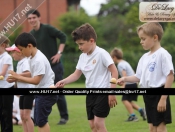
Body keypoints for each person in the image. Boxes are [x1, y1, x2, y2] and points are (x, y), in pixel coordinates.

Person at [56, 23, 118, 132]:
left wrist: (112, 92)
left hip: (103, 92)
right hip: (90, 94)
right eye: (78, 44)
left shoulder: (102, 54)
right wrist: (64, 81)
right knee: (92, 125)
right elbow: (76, 74)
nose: (79, 47)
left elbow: (114, 71)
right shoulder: (82, 57)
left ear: (91, 40)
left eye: (81, 44)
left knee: (99, 123)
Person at [117, 22, 174, 132]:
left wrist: (163, 98)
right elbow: (138, 77)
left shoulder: (163, 54)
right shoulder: (144, 57)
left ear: (155, 37)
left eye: (143, 39)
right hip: (147, 95)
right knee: (152, 127)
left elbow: (170, 76)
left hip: (159, 94)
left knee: (160, 127)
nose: (141, 42)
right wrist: (125, 79)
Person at [8, 32, 58, 132]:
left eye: (21, 49)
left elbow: (36, 80)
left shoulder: (38, 59)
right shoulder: (32, 58)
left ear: (29, 46)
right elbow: (33, 75)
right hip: (41, 93)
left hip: (46, 93)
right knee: (40, 120)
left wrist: (18, 77)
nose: (21, 52)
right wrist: (17, 78)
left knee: (41, 121)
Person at [26, 9, 69, 125]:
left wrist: (59, 53)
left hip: (54, 67)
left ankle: (64, 117)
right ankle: (39, 117)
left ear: (39, 18)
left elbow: (63, 37)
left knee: (58, 91)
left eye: (34, 17)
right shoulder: (31, 35)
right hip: (41, 69)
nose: (32, 20)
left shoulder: (48, 29)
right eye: (29, 18)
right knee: (39, 93)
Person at [110, 47, 146, 122]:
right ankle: (141, 110)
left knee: (125, 100)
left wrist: (123, 86)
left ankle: (133, 116)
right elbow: (133, 72)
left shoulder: (120, 65)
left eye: (111, 58)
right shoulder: (125, 62)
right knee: (128, 101)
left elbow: (124, 75)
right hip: (133, 84)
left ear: (114, 57)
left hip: (129, 84)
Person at [6, 44, 35, 132]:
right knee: (22, 116)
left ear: (19, 52)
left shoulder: (25, 62)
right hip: (22, 93)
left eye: (13, 52)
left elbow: (29, 74)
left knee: (26, 116)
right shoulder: (19, 63)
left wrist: (16, 75)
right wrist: (13, 79)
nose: (12, 55)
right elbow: (20, 78)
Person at [0, 35, 14, 132]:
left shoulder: (7, 57)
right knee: (1, 112)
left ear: (3, 45)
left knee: (7, 112)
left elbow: (2, 74)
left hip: (7, 88)